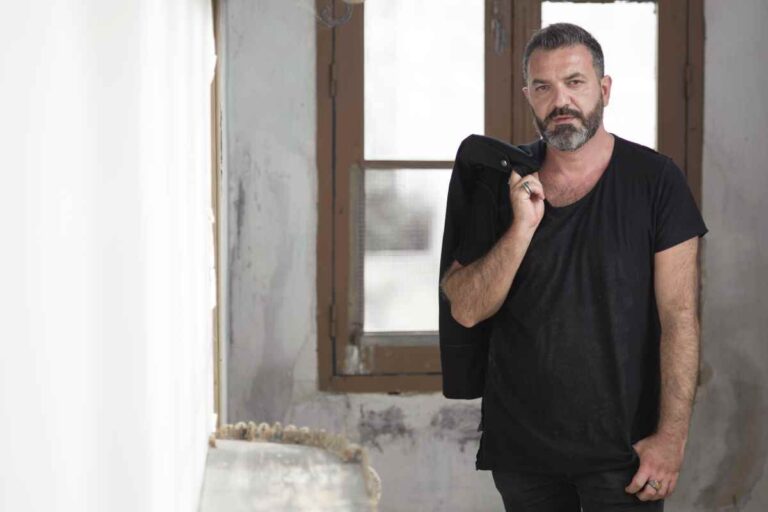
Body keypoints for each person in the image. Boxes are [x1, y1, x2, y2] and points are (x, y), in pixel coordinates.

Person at [439, 23, 708, 511]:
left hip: (624, 451)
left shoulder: (657, 181)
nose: (560, 100)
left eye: (575, 82)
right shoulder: (501, 180)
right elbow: (467, 308)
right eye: (543, 87)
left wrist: (672, 439)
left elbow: (679, 319)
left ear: (604, 89)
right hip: (522, 452)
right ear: (528, 97)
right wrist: (522, 228)